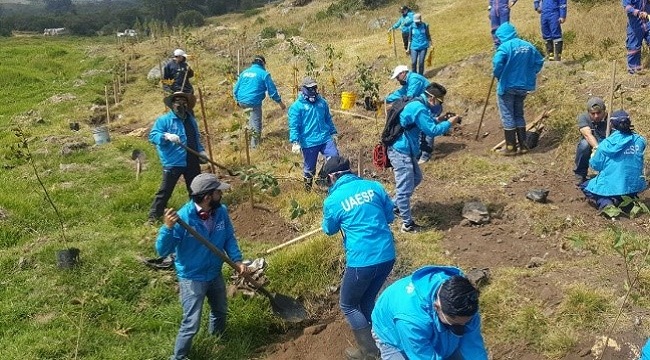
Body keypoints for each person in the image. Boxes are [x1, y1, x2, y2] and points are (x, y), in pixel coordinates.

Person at [156, 173, 249, 360]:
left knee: (220, 311)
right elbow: (162, 250)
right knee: (191, 323)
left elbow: (229, 237)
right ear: (207, 197)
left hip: (214, 273)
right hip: (192, 277)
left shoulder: (221, 211)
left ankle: (217, 340)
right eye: (218, 192)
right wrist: (167, 228)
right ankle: (179, 357)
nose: (221, 195)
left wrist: (237, 261)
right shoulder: (183, 219)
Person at [320, 156, 396, 360]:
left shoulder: (333, 200)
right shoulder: (374, 187)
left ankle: (370, 353)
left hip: (362, 261)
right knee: (367, 299)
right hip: (387, 255)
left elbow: (329, 229)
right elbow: (390, 216)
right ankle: (382, 340)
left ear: (332, 177)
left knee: (348, 305)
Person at [388, 83, 461, 232]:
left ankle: (395, 206)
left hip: (406, 149)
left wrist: (440, 119)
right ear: (432, 97)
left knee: (416, 178)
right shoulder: (419, 108)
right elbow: (432, 131)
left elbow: (425, 123)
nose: (440, 104)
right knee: (404, 188)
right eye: (440, 101)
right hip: (400, 151)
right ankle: (407, 225)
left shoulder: (418, 103)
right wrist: (449, 123)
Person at [371, 265, 488, 360]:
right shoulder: (411, 319)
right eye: (455, 325)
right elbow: (422, 356)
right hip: (392, 336)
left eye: (465, 324)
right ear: (436, 307)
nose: (461, 329)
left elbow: (474, 347)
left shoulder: (464, 301)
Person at [147, 92, 208, 224]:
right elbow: (153, 136)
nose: (180, 104)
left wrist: (202, 152)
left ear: (187, 105)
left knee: (195, 190)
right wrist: (166, 136)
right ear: (172, 104)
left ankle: (196, 214)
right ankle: (153, 217)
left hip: (191, 160)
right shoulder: (164, 120)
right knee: (165, 190)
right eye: (177, 101)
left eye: (183, 101)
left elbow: (196, 139)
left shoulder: (191, 120)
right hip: (173, 161)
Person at [492, 22, 544, 156]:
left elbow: (497, 63)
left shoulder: (504, 47)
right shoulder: (528, 46)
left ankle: (510, 147)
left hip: (507, 86)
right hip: (523, 86)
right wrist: (531, 73)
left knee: (508, 114)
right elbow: (539, 61)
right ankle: (523, 145)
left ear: (502, 35)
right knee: (518, 114)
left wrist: (498, 74)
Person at [581, 110, 647, 211]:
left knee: (585, 186)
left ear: (611, 124)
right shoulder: (640, 141)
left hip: (612, 185)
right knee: (625, 185)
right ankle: (629, 200)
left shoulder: (605, 144)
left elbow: (595, 166)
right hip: (634, 186)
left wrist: (594, 153)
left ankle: (606, 203)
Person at [288, 77, 339, 191]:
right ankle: (307, 190)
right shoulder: (297, 107)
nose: (313, 90)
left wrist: (333, 132)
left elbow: (328, 119)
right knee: (310, 168)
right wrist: (295, 141)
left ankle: (322, 178)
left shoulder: (322, 103)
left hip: (325, 138)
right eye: (310, 88)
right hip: (309, 141)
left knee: (334, 158)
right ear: (303, 89)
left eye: (314, 87)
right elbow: (294, 125)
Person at [233, 55, 286, 149]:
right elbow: (272, 91)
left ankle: (249, 138)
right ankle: (254, 147)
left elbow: (235, 88)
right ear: (263, 63)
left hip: (241, 101)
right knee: (257, 123)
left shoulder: (244, 73)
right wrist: (280, 103)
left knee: (250, 119)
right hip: (253, 102)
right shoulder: (264, 74)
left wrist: (237, 100)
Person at [573, 97, 608, 185]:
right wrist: (597, 149)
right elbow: (587, 134)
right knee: (584, 145)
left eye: (599, 113)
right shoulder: (583, 117)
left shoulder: (611, 117)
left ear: (604, 111)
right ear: (588, 113)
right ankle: (580, 174)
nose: (596, 116)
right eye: (593, 113)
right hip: (592, 142)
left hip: (607, 142)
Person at [622, 0, 650, 74]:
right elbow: (627, 7)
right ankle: (634, 72)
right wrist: (638, 12)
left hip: (648, 22)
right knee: (634, 48)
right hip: (635, 24)